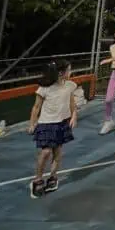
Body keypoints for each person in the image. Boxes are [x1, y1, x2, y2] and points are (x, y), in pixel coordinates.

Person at [27, 60, 78, 198]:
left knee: (58, 151)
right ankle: (37, 180)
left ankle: (53, 177)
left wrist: (74, 116)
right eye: (69, 70)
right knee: (46, 152)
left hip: (61, 123)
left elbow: (72, 103)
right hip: (46, 123)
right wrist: (32, 123)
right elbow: (36, 107)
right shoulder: (44, 88)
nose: (70, 72)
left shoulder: (70, 86)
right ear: (61, 73)